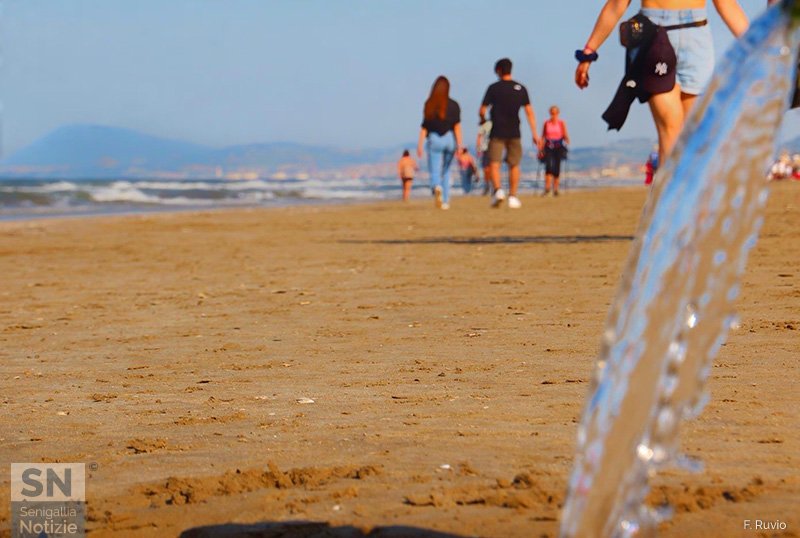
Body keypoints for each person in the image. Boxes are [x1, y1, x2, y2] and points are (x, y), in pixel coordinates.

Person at [575, 0, 748, 168]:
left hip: (697, 37)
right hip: (654, 36)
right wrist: (589, 51)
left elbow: (727, 4)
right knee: (671, 132)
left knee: (693, 135)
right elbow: (617, 4)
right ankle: (669, 197)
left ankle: (683, 195)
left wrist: (761, 46)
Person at [479, 58, 541, 209]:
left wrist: (483, 120)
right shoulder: (520, 88)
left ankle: (498, 190)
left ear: (498, 70)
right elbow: (529, 112)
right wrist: (535, 133)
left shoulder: (493, 88)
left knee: (494, 163)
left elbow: (482, 110)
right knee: (514, 164)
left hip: (497, 131)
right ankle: (513, 196)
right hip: (514, 131)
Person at [417, 76, 463, 210]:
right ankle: (445, 201)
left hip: (434, 138)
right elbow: (457, 127)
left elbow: (424, 127)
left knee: (435, 170)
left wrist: (420, 145)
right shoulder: (454, 105)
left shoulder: (429, 104)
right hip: (450, 139)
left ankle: (436, 187)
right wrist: (460, 145)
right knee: (446, 170)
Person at [539, 106, 570, 196]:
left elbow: (565, 134)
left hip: (558, 146)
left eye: (555, 113)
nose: (554, 115)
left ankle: (556, 189)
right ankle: (547, 188)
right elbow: (543, 136)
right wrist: (540, 147)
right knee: (548, 167)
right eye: (552, 113)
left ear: (558, 113)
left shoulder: (561, 123)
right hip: (548, 146)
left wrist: (567, 139)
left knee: (557, 167)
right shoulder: (546, 123)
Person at [475, 119, 493, 195]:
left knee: (493, 167)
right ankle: (487, 185)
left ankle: (493, 186)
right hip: (486, 149)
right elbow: (479, 135)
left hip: (495, 148)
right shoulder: (486, 124)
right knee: (486, 168)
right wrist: (478, 147)